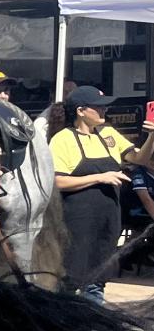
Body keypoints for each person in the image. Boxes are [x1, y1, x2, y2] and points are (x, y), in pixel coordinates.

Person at [51, 86, 133, 302]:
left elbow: (139, 158)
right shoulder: (63, 139)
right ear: (81, 111)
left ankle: (93, 325)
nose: (104, 111)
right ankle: (64, 325)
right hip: (76, 224)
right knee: (70, 280)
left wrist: (152, 135)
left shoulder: (108, 135)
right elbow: (58, 181)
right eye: (98, 107)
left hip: (107, 221)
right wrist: (100, 177)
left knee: (97, 280)